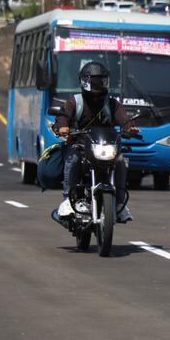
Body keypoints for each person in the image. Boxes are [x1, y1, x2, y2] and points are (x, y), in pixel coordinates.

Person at [53, 61, 139, 223]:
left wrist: (130, 128)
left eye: (102, 80)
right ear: (85, 81)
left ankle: (119, 204)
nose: (99, 84)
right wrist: (63, 127)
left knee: (120, 161)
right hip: (81, 145)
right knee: (73, 159)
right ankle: (66, 201)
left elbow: (124, 119)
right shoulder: (74, 102)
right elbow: (63, 117)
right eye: (95, 80)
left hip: (104, 146)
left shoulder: (112, 103)